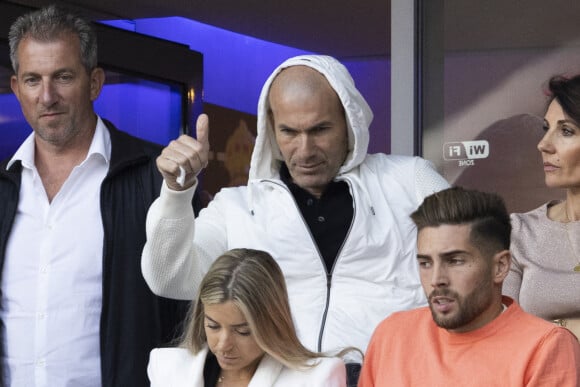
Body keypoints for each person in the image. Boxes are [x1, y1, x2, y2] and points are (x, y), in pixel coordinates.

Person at [141, 54, 450, 385]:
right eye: (289, 132)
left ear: (350, 122)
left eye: (320, 129)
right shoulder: (238, 207)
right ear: (271, 129)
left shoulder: (410, 181)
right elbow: (169, 279)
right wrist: (176, 193)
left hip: (398, 376)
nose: (304, 150)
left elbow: (473, 263)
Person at [0, 5, 194, 387]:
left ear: (94, 83)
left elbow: (191, 309)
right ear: (16, 88)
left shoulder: (154, 179)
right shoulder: (4, 187)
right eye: (33, 80)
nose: (47, 96)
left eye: (63, 77)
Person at [358, 186, 580, 386]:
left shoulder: (545, 346)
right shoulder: (392, 334)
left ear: (500, 267)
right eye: (426, 263)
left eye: (455, 261)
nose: (437, 279)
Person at [148, 248, 347, 386]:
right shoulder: (167, 367)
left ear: (273, 322)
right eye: (213, 326)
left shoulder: (317, 378)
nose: (223, 345)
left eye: (242, 331)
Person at [503, 74, 580, 338]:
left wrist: (553, 329)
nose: (544, 144)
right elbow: (506, 337)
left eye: (566, 131)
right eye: (546, 128)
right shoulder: (520, 232)